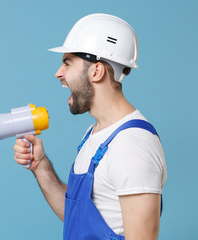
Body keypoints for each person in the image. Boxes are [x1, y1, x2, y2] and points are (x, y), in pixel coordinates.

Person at [13, 13, 167, 240]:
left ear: (97, 71)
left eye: (67, 63)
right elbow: (77, 217)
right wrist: (41, 166)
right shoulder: (95, 134)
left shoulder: (133, 146)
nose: (58, 73)